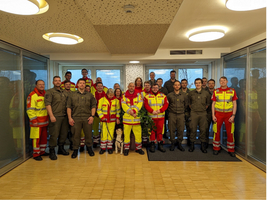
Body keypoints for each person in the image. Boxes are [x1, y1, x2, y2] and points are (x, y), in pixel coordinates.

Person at [67, 78, 96, 158]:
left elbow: (93, 106)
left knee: (88, 134)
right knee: (76, 135)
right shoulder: (72, 95)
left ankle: (89, 148)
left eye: (83, 83)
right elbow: (69, 107)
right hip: (76, 118)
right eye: (80, 83)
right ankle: (75, 150)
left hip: (87, 117)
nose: (82, 84)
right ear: (78, 84)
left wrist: (92, 116)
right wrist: (70, 118)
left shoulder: (89, 95)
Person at [212, 76, 238, 157]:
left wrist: (233, 115)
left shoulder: (232, 91)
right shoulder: (216, 91)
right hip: (218, 114)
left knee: (230, 132)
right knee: (216, 132)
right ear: (219, 82)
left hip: (229, 114)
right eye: (221, 81)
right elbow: (213, 104)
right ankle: (216, 148)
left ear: (227, 81)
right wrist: (213, 115)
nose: (222, 82)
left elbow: (234, 103)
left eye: (224, 80)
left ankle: (231, 149)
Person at [45, 76, 69, 160]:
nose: (58, 82)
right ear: (53, 82)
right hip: (55, 116)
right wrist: (51, 116)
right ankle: (52, 151)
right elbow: (48, 104)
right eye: (56, 81)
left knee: (63, 134)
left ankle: (61, 149)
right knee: (54, 134)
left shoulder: (64, 92)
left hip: (64, 116)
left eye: (59, 81)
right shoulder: (50, 92)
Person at [26, 80, 49, 161]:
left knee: (43, 138)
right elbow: (30, 110)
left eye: (43, 84)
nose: (42, 86)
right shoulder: (32, 95)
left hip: (45, 121)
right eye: (40, 84)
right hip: (36, 122)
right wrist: (34, 120)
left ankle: (42, 152)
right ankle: (36, 154)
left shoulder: (45, 94)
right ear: (36, 85)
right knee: (36, 138)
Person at [188, 78, 211, 153]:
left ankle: (203, 146)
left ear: (202, 84)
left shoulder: (206, 93)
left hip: (203, 113)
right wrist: (194, 109)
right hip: (194, 113)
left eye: (199, 83)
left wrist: (202, 108)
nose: (198, 84)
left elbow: (208, 104)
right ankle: (192, 146)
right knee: (192, 129)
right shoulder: (191, 93)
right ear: (195, 84)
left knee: (203, 129)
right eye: (196, 83)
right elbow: (189, 103)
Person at [144, 83, 169, 153]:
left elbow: (166, 104)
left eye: (156, 88)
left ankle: (160, 144)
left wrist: (160, 110)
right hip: (151, 117)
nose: (155, 89)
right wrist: (152, 111)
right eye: (153, 88)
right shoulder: (147, 96)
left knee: (160, 131)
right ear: (151, 88)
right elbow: (146, 105)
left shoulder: (163, 96)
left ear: (158, 88)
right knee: (151, 131)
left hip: (161, 117)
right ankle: (152, 144)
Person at [121, 82, 144, 156]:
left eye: (133, 86)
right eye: (130, 86)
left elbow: (140, 104)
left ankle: (138, 148)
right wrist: (130, 111)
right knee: (126, 135)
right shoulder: (124, 95)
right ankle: (126, 149)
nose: (131, 87)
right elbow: (123, 105)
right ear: (128, 86)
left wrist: (134, 111)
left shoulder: (138, 95)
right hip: (127, 119)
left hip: (136, 118)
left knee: (138, 134)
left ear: (134, 87)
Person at [97, 88, 121, 154]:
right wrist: (102, 117)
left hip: (112, 120)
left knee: (110, 134)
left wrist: (117, 118)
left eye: (112, 95)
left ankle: (110, 147)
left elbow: (118, 111)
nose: (111, 96)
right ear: (107, 94)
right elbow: (99, 110)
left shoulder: (116, 101)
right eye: (109, 95)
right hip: (104, 120)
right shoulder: (102, 100)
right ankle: (103, 148)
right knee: (103, 134)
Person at [167, 80, 188, 151]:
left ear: (180, 86)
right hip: (172, 114)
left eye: (178, 85)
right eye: (175, 85)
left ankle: (179, 143)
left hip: (181, 114)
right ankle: (172, 143)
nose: (177, 86)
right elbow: (167, 105)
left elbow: (186, 105)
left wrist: (182, 111)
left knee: (181, 129)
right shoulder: (169, 95)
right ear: (173, 86)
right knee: (171, 129)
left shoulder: (184, 95)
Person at [92, 82, 106, 147]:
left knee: (103, 128)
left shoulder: (106, 94)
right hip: (95, 114)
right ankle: (95, 141)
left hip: (104, 114)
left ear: (103, 87)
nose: (100, 87)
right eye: (98, 86)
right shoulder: (93, 94)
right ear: (96, 87)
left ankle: (103, 141)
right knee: (95, 128)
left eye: (101, 86)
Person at [180, 79, 191, 146]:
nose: (184, 84)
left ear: (187, 84)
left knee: (189, 127)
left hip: (188, 112)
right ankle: (179, 141)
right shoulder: (178, 92)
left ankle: (189, 141)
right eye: (182, 83)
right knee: (180, 128)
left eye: (185, 83)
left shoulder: (190, 92)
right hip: (180, 112)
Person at [63, 80, 73, 150]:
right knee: (64, 131)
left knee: (72, 131)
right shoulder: (61, 93)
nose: (68, 85)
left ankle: (72, 145)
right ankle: (62, 147)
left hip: (72, 114)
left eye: (69, 84)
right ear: (64, 85)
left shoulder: (73, 93)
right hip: (63, 114)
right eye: (66, 84)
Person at [206, 79, 216, 147]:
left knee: (215, 129)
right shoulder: (205, 92)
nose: (211, 84)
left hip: (216, 113)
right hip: (207, 112)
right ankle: (205, 143)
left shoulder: (217, 92)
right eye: (209, 83)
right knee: (206, 129)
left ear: (214, 84)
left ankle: (216, 143)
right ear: (207, 84)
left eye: (212, 83)